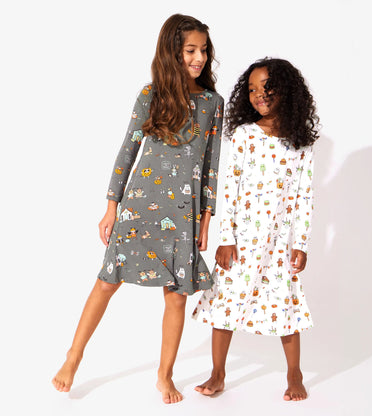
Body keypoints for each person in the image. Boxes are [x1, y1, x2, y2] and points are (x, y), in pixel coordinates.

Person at [52, 14, 224, 404]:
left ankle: (164, 376)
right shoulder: (151, 95)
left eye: (203, 50)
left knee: (177, 295)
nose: (199, 58)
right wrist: (111, 207)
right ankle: (73, 356)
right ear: (173, 52)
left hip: (184, 214)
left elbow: (212, 164)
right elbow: (127, 151)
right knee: (107, 281)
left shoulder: (213, 103)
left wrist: (206, 217)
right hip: (139, 206)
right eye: (191, 50)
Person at [192, 58, 319, 401]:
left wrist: (301, 242)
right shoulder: (245, 135)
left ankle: (294, 373)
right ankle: (218, 373)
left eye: (266, 87)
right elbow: (229, 188)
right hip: (242, 242)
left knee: (286, 305)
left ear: (286, 90)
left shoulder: (300, 143)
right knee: (225, 304)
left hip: (278, 244)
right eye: (251, 89)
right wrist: (226, 238)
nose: (258, 94)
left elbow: (304, 195)